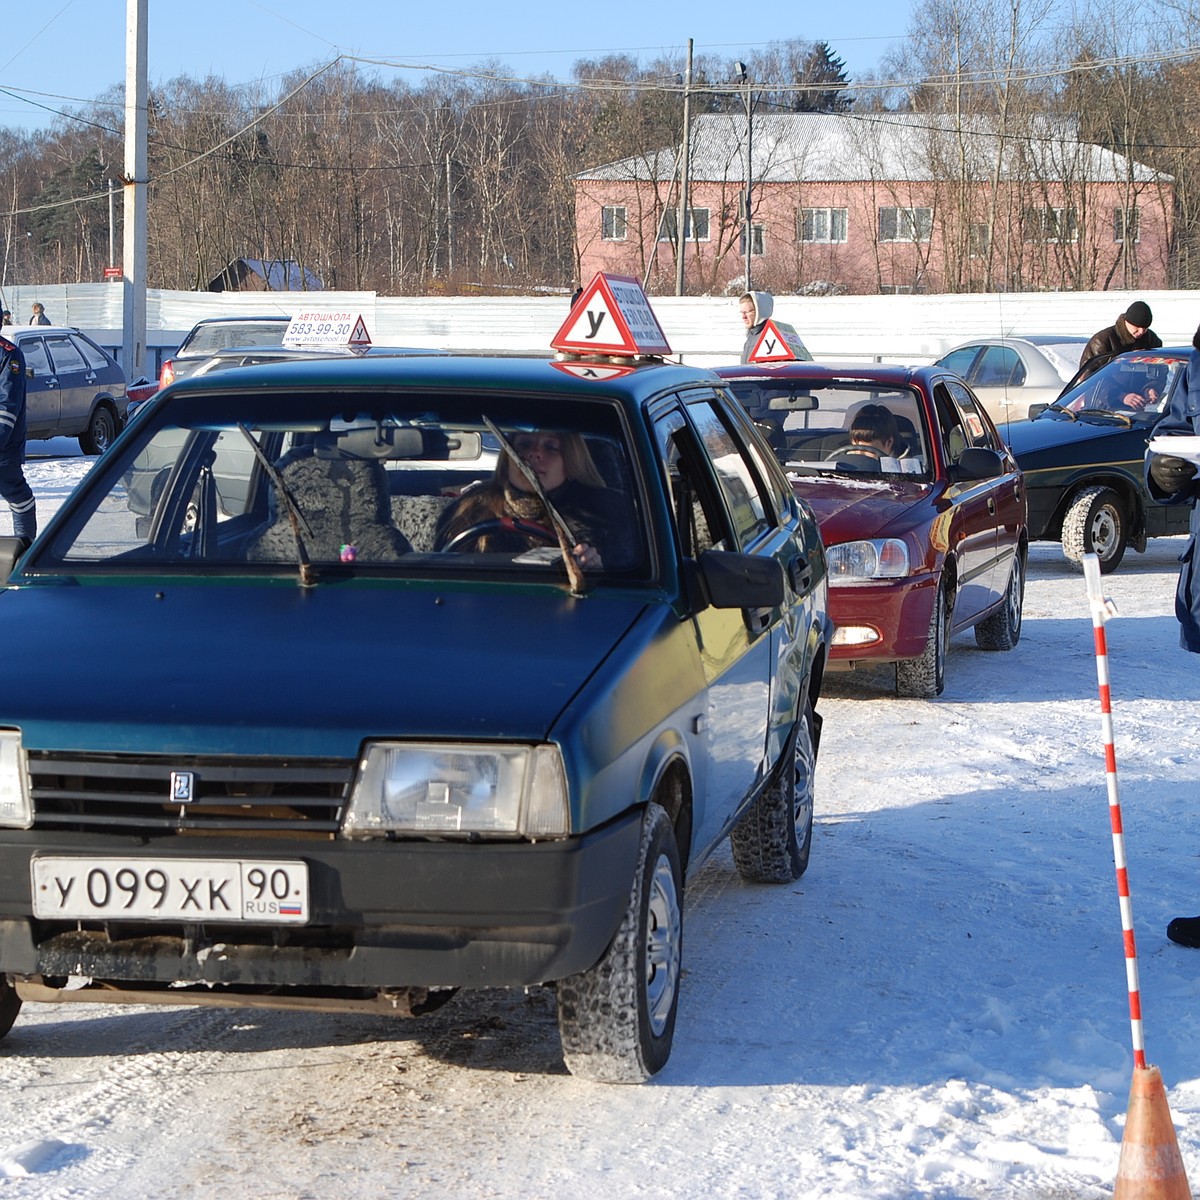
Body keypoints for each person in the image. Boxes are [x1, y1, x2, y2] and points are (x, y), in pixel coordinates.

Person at [434, 429, 634, 570]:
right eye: (524, 444)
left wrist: (597, 571)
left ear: (572, 458)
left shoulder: (609, 515)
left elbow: (629, 594)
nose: (535, 453)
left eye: (551, 447)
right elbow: (440, 583)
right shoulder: (467, 510)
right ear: (507, 457)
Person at [0, 334, 36, 551]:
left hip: (4, 448)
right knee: (20, 497)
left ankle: (25, 552)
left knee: (18, 497)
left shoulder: (8, 354)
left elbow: (7, 404)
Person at [1077, 300, 1162, 382]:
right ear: (1127, 321)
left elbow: (1160, 372)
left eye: (1145, 328)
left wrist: (1150, 389)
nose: (1141, 332)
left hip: (1142, 395)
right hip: (1108, 395)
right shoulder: (1102, 341)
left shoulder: (1152, 341)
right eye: (1137, 327)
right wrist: (1120, 395)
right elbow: (1088, 378)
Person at [739, 291, 774, 363]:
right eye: (742, 312)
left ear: (759, 312)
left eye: (748, 312)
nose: (743, 317)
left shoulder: (770, 337)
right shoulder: (751, 336)